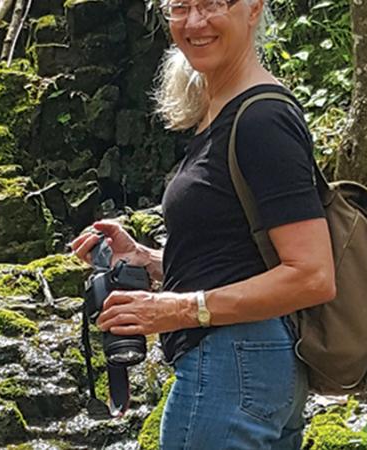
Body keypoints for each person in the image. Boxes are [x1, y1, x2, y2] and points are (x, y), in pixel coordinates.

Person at [69, 0, 335, 447]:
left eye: (212, 3)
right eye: (181, 6)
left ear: (253, 10)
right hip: (252, 365)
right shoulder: (222, 112)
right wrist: (149, 260)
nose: (194, 22)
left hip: (233, 366)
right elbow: (243, 255)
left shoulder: (261, 120)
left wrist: (175, 310)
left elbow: (313, 276)